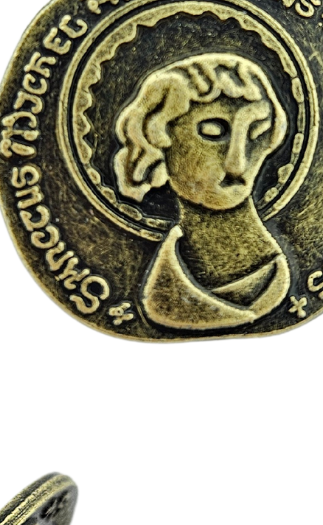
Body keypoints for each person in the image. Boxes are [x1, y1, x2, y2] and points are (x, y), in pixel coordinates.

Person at [113, 53, 290, 330]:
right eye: (212, 132)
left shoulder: (275, 275)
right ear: (156, 138)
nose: (237, 163)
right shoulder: (163, 295)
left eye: (256, 132)